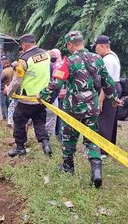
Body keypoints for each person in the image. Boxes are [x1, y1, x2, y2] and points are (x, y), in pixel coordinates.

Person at [40, 31, 120, 188]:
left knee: (69, 136)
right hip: (92, 106)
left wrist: (43, 97)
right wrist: (113, 97)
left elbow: (56, 83)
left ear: (70, 45)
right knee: (91, 137)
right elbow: (108, 81)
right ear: (82, 42)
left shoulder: (68, 61)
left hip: (73, 107)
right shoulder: (97, 58)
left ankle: (68, 167)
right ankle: (96, 170)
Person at [6, 34, 53, 157]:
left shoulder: (24, 59)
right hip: (42, 97)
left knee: (19, 120)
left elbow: (17, 80)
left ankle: (20, 147)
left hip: (27, 98)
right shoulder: (46, 55)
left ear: (24, 45)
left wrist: (9, 92)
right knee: (39, 121)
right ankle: (45, 143)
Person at [93, 35, 122, 154]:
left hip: (109, 89)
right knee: (111, 119)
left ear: (102, 46)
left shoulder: (107, 60)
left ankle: (103, 149)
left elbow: (106, 81)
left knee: (104, 118)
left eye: (96, 47)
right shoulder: (113, 55)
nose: (95, 50)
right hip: (115, 87)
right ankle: (109, 145)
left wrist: (100, 99)